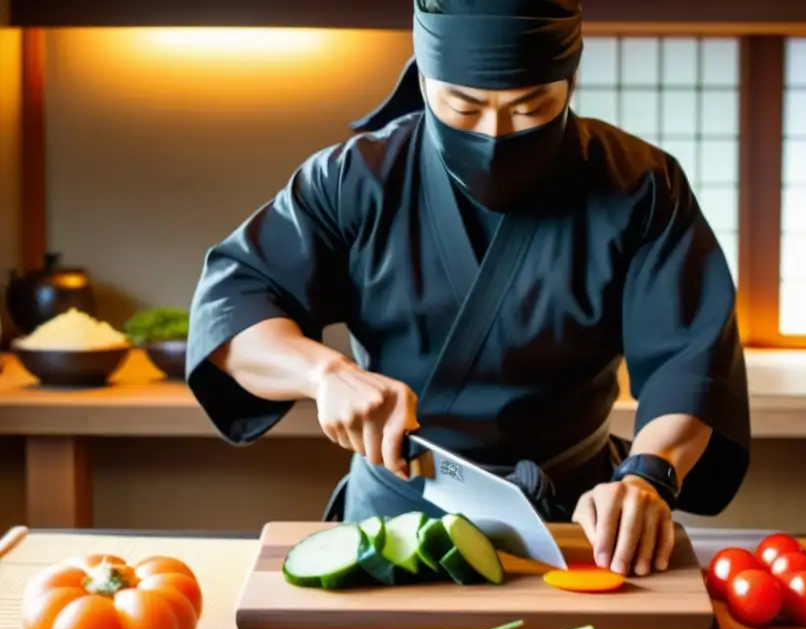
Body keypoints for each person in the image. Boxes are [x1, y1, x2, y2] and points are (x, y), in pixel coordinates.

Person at [185, 0, 751, 577]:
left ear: (570, 81)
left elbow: (691, 361)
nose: (494, 134)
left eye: (532, 107)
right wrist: (322, 374)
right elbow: (232, 308)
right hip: (396, 519)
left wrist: (649, 474)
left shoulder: (641, 186)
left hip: (580, 523)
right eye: (463, 105)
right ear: (424, 78)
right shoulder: (355, 181)